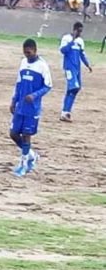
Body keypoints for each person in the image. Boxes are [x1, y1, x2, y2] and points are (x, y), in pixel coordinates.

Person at [9, 39, 52, 177]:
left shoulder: (42, 66)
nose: (27, 55)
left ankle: (23, 165)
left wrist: (35, 95)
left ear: (35, 50)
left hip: (32, 108)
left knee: (27, 136)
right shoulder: (23, 63)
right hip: (20, 106)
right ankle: (32, 155)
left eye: (29, 52)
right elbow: (19, 83)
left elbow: (48, 86)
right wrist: (13, 100)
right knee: (13, 134)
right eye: (25, 52)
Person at [59, 22, 93, 122]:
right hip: (69, 68)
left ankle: (65, 112)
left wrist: (87, 65)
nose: (80, 33)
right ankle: (65, 112)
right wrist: (72, 41)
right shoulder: (66, 38)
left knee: (74, 89)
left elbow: (82, 54)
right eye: (78, 31)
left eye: (81, 31)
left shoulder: (80, 41)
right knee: (74, 87)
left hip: (77, 69)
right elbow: (63, 51)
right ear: (74, 30)